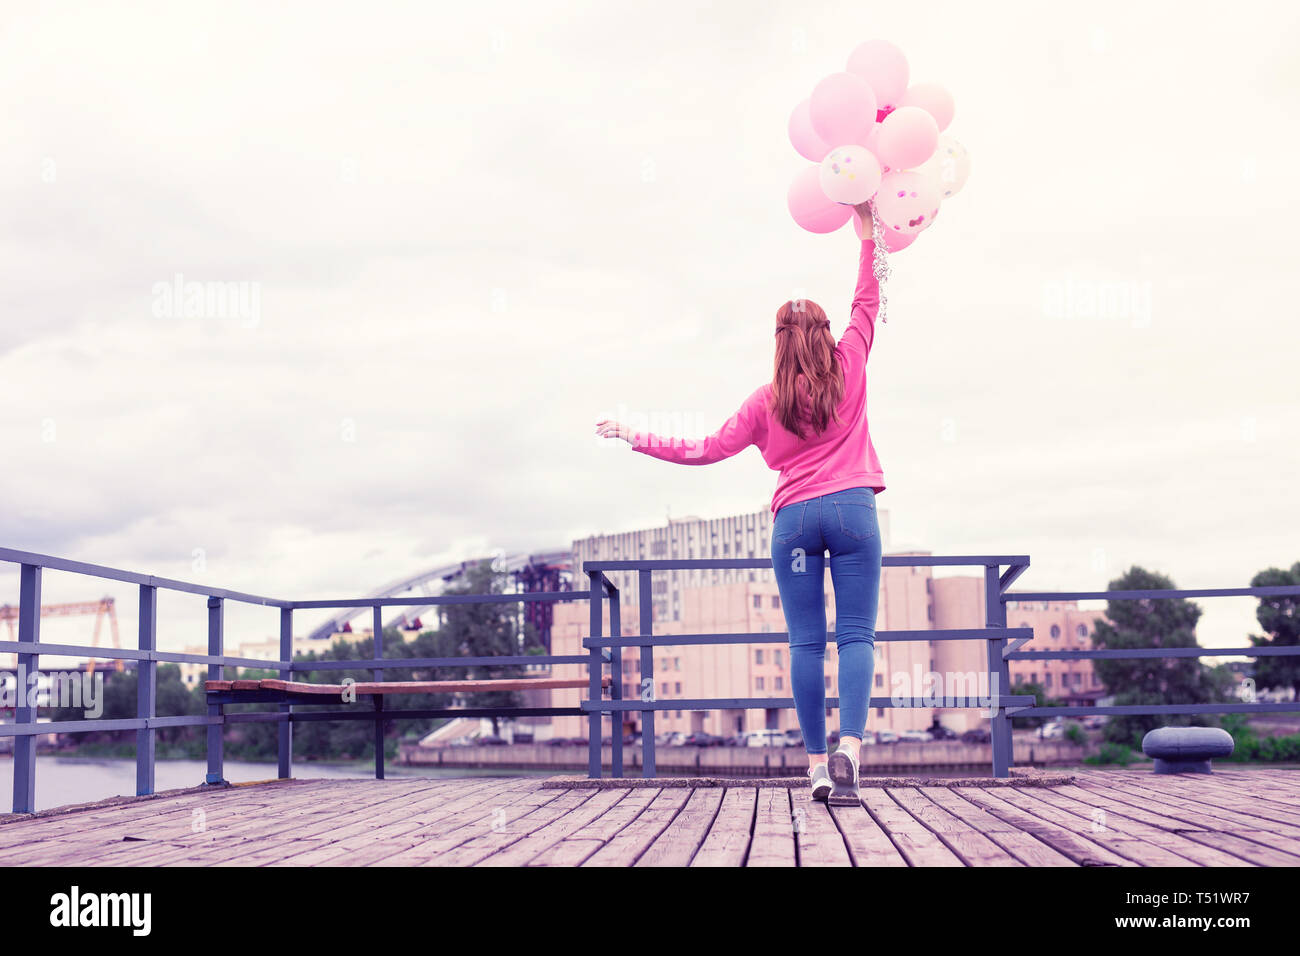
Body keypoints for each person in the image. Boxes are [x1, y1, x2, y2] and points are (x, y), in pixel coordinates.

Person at [595, 200, 886, 804]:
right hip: (854, 511)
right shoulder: (851, 363)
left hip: (795, 522)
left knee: (805, 643)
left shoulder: (764, 402)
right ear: (826, 333)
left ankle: (816, 769)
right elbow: (868, 297)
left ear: (778, 343)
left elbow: (703, 450)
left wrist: (636, 436)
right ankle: (850, 748)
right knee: (855, 636)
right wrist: (866, 226)